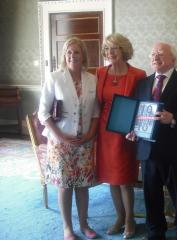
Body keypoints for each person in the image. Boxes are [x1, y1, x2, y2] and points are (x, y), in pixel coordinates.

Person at [128, 42, 177, 240]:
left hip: (174, 152)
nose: (155, 57)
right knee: (151, 198)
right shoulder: (143, 83)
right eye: (152, 53)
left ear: (173, 59)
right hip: (147, 152)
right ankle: (155, 233)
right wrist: (133, 130)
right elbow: (137, 114)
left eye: (160, 53)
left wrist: (174, 118)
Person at [38, 37, 99, 240]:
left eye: (76, 52)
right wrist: (61, 136)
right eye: (69, 53)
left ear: (83, 55)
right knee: (65, 186)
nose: (72, 56)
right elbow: (43, 113)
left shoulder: (92, 79)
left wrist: (90, 135)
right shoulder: (55, 78)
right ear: (65, 56)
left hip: (85, 142)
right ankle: (67, 228)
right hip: (60, 142)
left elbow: (96, 111)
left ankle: (84, 224)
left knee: (83, 185)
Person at [96, 33, 146, 237]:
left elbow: (143, 105)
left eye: (114, 48)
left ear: (123, 50)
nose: (110, 53)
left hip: (126, 133)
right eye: (107, 49)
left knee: (125, 180)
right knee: (111, 179)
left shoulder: (138, 74)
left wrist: (137, 129)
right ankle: (119, 217)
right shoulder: (100, 72)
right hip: (104, 132)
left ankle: (130, 220)